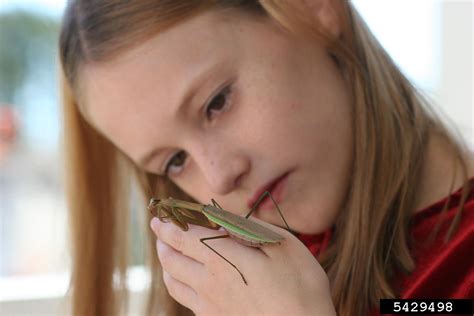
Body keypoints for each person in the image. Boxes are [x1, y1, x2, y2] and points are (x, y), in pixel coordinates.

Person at [58, 1, 474, 315]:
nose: (220, 177)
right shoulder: (237, 293)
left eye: (217, 103)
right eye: (175, 161)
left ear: (310, 8)